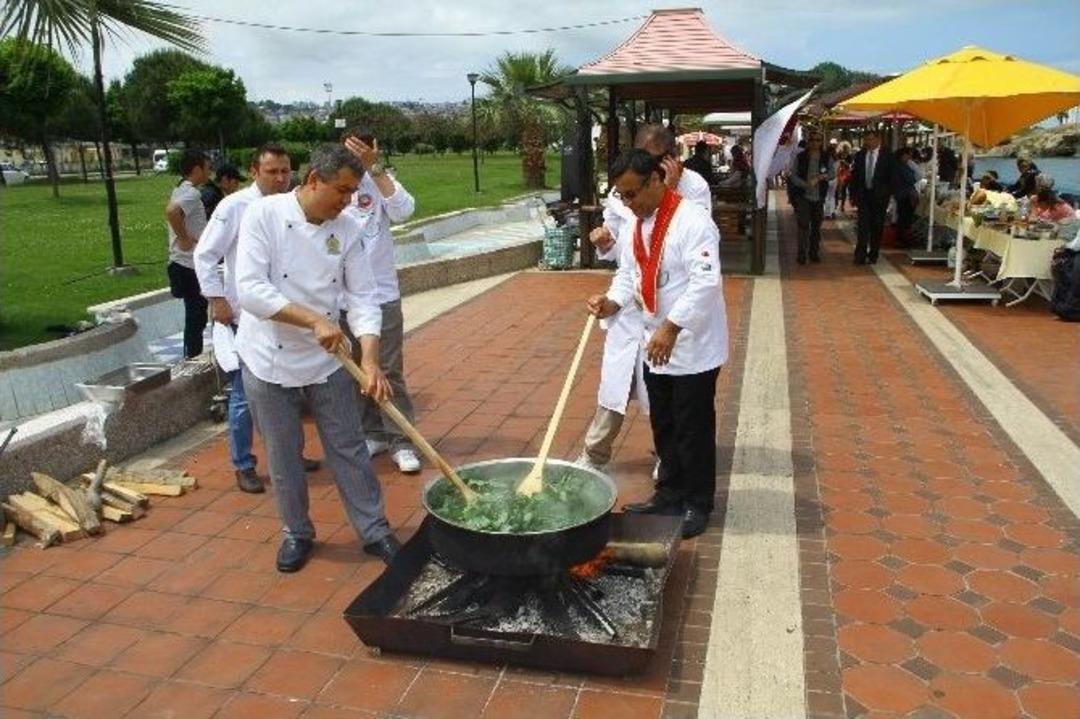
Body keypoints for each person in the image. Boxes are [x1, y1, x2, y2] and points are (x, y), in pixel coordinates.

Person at [235, 143, 399, 573]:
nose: (347, 201)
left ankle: (375, 529)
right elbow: (250, 290)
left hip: (329, 360)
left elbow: (363, 297)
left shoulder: (347, 228)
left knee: (349, 447)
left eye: (353, 193)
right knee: (284, 454)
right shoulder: (263, 215)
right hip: (268, 359)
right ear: (313, 180)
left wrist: (370, 360)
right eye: (342, 191)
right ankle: (297, 532)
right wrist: (312, 320)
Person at [587, 148, 728, 540]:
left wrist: (671, 327)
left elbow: (705, 283)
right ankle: (669, 494)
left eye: (632, 194)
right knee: (663, 424)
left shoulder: (692, 220)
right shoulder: (637, 223)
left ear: (655, 180)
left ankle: (697, 503)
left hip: (692, 345)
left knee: (692, 427)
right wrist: (611, 302)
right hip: (655, 341)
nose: (629, 204)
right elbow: (629, 274)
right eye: (622, 196)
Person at [580, 124, 712, 477]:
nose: (628, 203)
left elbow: (700, 268)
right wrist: (611, 291)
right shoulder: (630, 203)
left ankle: (670, 462)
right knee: (616, 385)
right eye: (623, 196)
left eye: (653, 162)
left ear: (669, 160)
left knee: (667, 400)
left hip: (672, 310)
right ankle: (595, 455)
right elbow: (627, 261)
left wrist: (667, 193)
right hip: (633, 305)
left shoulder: (693, 194)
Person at [195, 143, 321, 494]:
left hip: (286, 313)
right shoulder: (234, 206)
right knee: (243, 395)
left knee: (289, 390)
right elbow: (205, 255)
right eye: (272, 172)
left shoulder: (295, 205)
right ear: (254, 172)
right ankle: (244, 463)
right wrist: (217, 299)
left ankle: (290, 455)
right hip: (244, 315)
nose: (280, 178)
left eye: (285, 171)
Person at [340, 132, 422, 474]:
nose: (357, 156)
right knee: (356, 373)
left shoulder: (380, 182)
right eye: (350, 150)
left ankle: (402, 441)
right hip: (342, 298)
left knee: (388, 370)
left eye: (363, 150)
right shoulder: (335, 185)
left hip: (381, 295)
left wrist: (375, 170)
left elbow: (404, 210)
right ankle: (371, 433)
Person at [165, 149, 211, 358]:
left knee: (196, 314)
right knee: (196, 316)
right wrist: (184, 238)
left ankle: (192, 355)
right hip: (188, 263)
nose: (209, 172)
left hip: (184, 263)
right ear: (197, 169)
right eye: (207, 168)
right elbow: (172, 211)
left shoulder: (180, 189)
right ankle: (192, 358)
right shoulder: (191, 194)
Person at [850, 132, 896, 265]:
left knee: (877, 226)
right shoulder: (860, 155)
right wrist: (853, 194)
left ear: (878, 140)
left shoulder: (887, 156)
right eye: (867, 140)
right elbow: (855, 176)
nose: (869, 142)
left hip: (880, 197)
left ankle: (873, 254)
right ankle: (860, 255)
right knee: (863, 226)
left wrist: (888, 194)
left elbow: (892, 176)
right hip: (863, 195)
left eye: (871, 139)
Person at [788, 131, 834, 264]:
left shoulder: (826, 157)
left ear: (821, 142)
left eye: (818, 140)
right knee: (803, 225)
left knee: (816, 227)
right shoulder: (801, 157)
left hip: (819, 197)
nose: (815, 143)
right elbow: (793, 175)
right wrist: (805, 184)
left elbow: (832, 173)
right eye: (812, 140)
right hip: (803, 196)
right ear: (808, 142)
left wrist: (821, 177)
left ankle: (814, 252)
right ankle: (801, 254)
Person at [893, 147, 920, 246]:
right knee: (905, 218)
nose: (909, 157)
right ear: (903, 155)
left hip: (900, 194)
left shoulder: (898, 165)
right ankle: (902, 239)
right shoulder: (902, 166)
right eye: (908, 155)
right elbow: (912, 179)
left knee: (902, 217)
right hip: (905, 195)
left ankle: (901, 238)